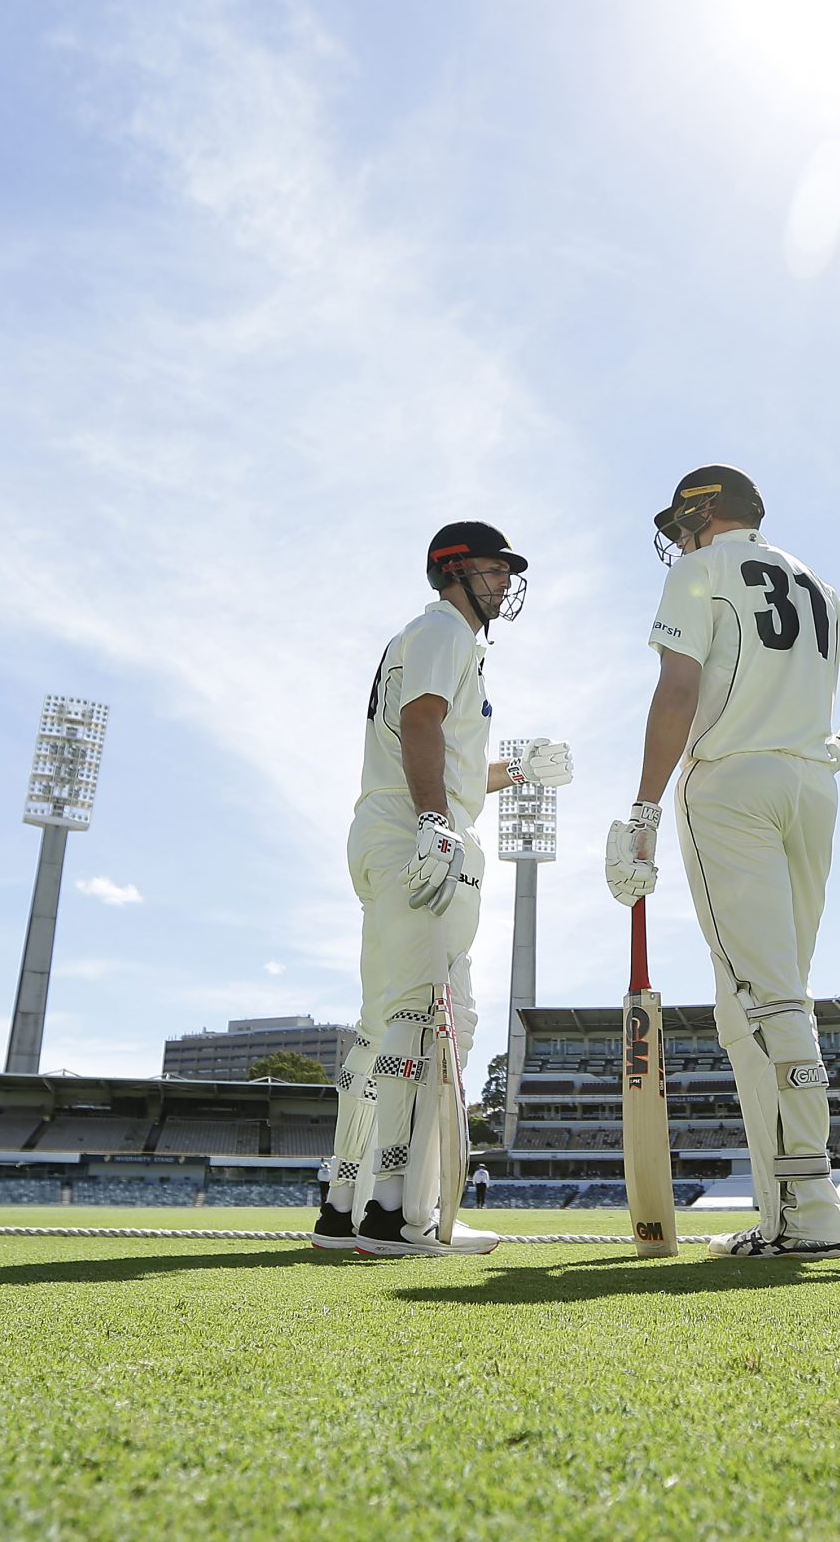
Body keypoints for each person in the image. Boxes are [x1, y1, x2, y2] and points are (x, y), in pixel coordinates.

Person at [606, 466, 840, 1259]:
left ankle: (808, 1210)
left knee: (760, 996)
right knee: (777, 995)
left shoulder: (703, 571)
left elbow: (678, 688)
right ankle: (789, 1206)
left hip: (732, 781)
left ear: (706, 514)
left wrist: (641, 806)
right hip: (812, 787)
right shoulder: (811, 579)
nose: (677, 540)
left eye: (681, 525)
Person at [312, 521, 574, 1257]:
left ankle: (344, 1202)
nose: (503, 585)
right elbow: (419, 721)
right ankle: (395, 1214)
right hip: (416, 835)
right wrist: (434, 819)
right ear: (453, 571)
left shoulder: (439, 639)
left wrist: (516, 771)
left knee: (388, 1020)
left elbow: (446, 751)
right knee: (427, 1017)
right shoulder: (444, 631)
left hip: (398, 830)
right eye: (493, 571)